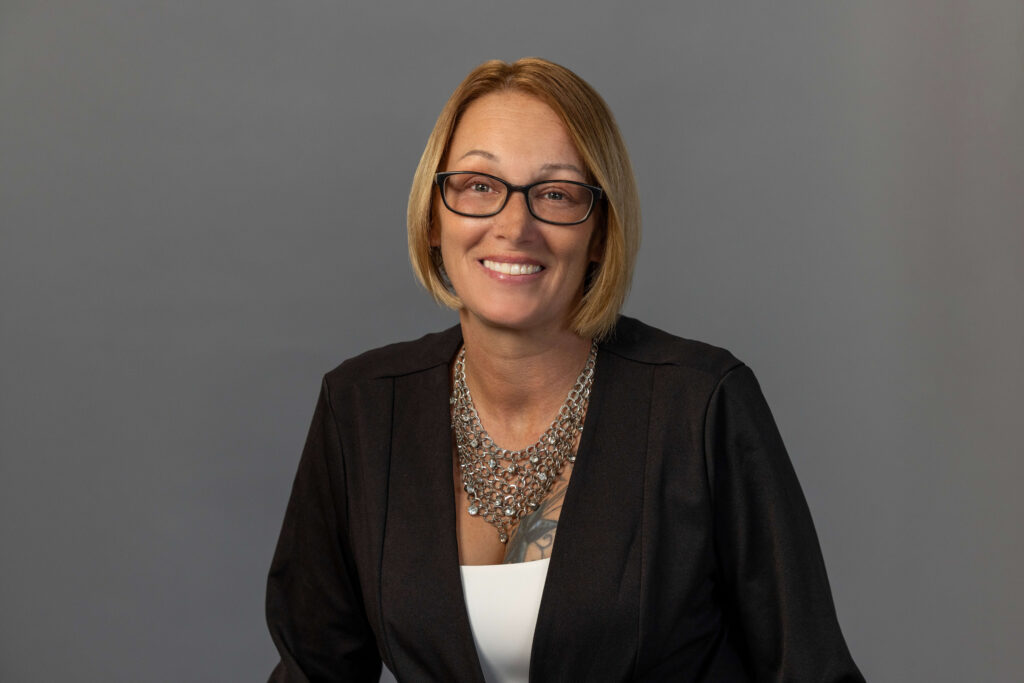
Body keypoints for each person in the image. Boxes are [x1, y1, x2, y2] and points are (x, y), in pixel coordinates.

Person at [266, 57, 864, 682]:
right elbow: (313, 671)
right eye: (478, 185)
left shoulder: (701, 404)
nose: (513, 226)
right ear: (433, 218)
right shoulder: (361, 409)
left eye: (555, 193)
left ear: (601, 232)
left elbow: (810, 670)